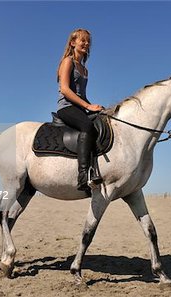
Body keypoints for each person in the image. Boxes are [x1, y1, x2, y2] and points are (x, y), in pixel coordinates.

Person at [56, 28, 104, 191]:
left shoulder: (85, 69)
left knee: (102, 122)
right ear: (72, 43)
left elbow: (82, 95)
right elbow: (65, 89)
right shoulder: (67, 61)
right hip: (66, 107)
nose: (86, 43)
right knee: (87, 126)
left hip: (80, 107)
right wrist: (87, 106)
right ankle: (83, 175)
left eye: (88, 41)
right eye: (82, 40)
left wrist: (94, 107)